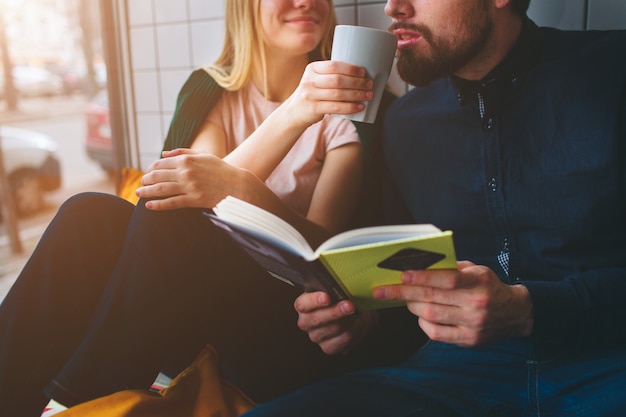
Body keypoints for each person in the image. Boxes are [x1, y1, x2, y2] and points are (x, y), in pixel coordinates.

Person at [0, 1, 413, 416]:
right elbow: (187, 191)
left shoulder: (347, 116)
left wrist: (248, 188)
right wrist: (293, 112)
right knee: (87, 214)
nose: (305, 1)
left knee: (170, 214)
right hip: (178, 295)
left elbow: (323, 253)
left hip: (275, 317)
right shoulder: (210, 90)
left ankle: (73, 400)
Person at [238, 0, 626, 415]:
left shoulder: (612, 70)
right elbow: (409, 277)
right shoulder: (405, 123)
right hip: (450, 376)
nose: (392, 6)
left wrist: (529, 310)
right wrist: (364, 318)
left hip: (608, 361)